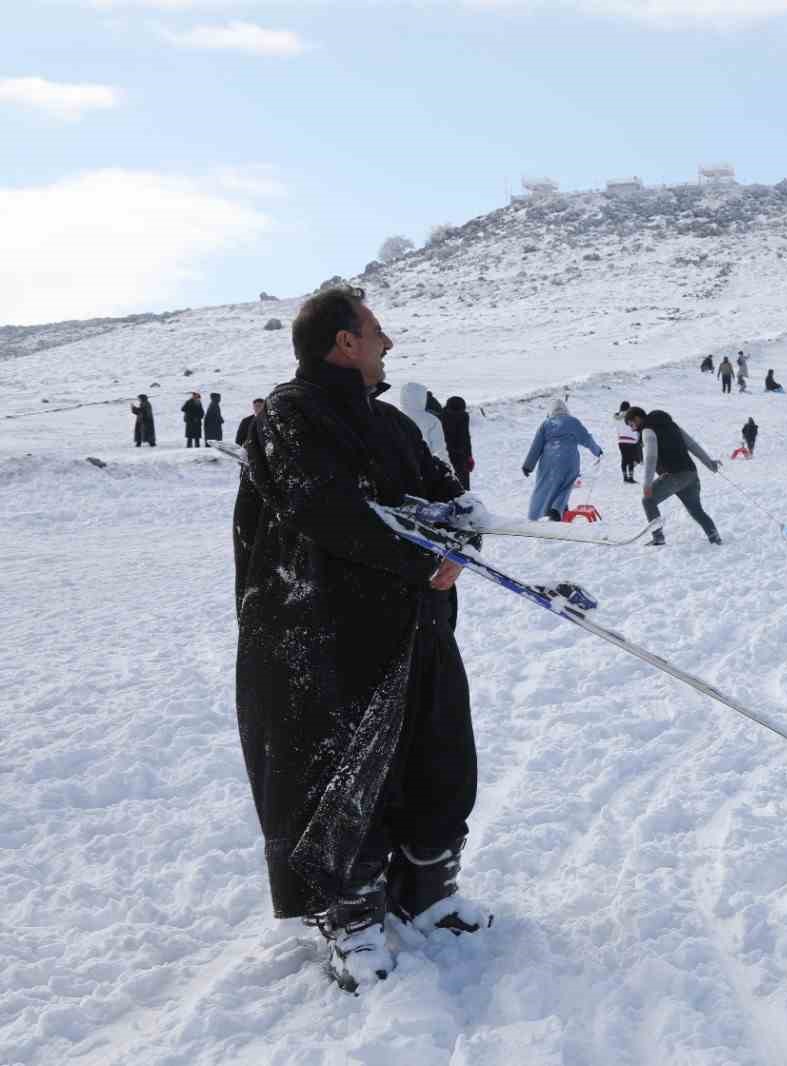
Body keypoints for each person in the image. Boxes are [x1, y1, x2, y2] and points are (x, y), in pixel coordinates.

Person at [232, 285, 487, 994]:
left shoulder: (392, 424)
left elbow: (448, 493)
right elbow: (328, 511)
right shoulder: (290, 416)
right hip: (325, 637)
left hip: (415, 626)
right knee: (343, 778)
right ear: (344, 342)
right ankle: (352, 916)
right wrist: (419, 560)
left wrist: (462, 538)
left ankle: (426, 890)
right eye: (377, 331)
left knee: (439, 757)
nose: (388, 343)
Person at [624, 406, 722, 546]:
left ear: (637, 418)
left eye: (631, 424)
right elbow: (692, 445)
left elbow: (651, 457)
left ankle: (658, 538)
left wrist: (647, 484)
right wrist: (709, 463)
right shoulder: (672, 425)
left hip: (674, 476)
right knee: (696, 510)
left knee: (648, 500)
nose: (632, 429)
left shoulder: (647, 430)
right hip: (691, 474)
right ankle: (715, 538)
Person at [521, 398, 603, 521]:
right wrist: (597, 451)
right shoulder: (573, 422)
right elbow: (587, 438)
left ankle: (535, 515)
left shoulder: (546, 424)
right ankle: (556, 509)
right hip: (569, 459)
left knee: (543, 487)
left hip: (548, 460)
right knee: (566, 484)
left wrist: (528, 466)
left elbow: (536, 446)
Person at [397, 382, 450, 464]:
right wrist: (447, 466)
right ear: (422, 397)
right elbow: (439, 449)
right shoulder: (432, 420)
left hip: (397, 465)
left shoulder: (392, 416)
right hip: (424, 465)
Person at [440, 396, 474, 488]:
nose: (457, 415)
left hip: (461, 455)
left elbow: (466, 437)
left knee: (463, 485)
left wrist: (469, 456)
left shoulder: (464, 416)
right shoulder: (440, 418)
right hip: (446, 454)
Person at [614, 399, 641, 483]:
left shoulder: (617, 418)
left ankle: (625, 477)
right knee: (632, 459)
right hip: (632, 440)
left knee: (624, 458)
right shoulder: (632, 416)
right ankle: (630, 477)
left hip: (621, 440)